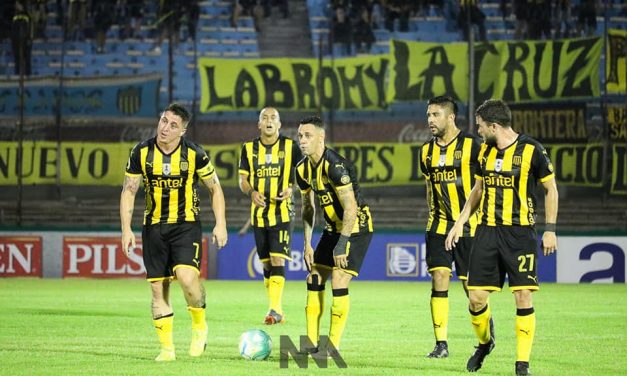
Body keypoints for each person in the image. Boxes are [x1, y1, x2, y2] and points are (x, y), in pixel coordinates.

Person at [445, 99, 558, 376]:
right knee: (476, 299)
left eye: (481, 126)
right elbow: (478, 189)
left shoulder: (532, 150)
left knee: (523, 296)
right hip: (486, 231)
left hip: (520, 234)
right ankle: (485, 343)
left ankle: (522, 364)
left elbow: (551, 189)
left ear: (494, 125)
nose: (479, 131)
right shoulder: (485, 151)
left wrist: (551, 229)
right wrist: (460, 222)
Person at [120, 103, 228, 362]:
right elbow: (129, 191)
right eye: (163, 121)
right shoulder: (141, 152)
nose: (165, 128)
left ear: (183, 131)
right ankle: (167, 349)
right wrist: (126, 229)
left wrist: (220, 223)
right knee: (158, 289)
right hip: (153, 227)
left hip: (186, 226)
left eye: (173, 125)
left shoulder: (195, 154)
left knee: (187, 279)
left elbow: (215, 188)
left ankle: (199, 325)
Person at [295, 115, 374, 357]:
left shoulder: (335, 167)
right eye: (300, 136)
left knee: (339, 280)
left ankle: (332, 346)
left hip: (355, 228)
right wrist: (307, 244)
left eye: (308, 136)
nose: (302, 141)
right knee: (314, 279)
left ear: (321, 137)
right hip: (331, 228)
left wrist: (341, 245)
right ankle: (310, 343)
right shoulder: (302, 170)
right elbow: (308, 208)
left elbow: (351, 209)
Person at [419, 96, 482, 359]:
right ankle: (441, 344)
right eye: (429, 115)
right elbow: (429, 188)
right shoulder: (425, 151)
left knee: (473, 289)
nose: (430, 120)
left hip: (469, 227)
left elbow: (483, 186)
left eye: (435, 115)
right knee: (439, 277)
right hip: (438, 226)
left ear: (451, 117)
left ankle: (484, 335)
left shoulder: (472, 146)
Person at [238, 107, 302, 324]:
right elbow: (243, 180)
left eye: (273, 118)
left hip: (283, 212)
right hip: (259, 215)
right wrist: (252, 192)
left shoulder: (291, 147)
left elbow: (303, 174)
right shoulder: (248, 149)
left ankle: (274, 309)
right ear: (259, 124)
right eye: (264, 117)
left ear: (279, 124)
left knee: (277, 259)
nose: (268, 120)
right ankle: (278, 311)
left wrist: (291, 188)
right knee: (266, 264)